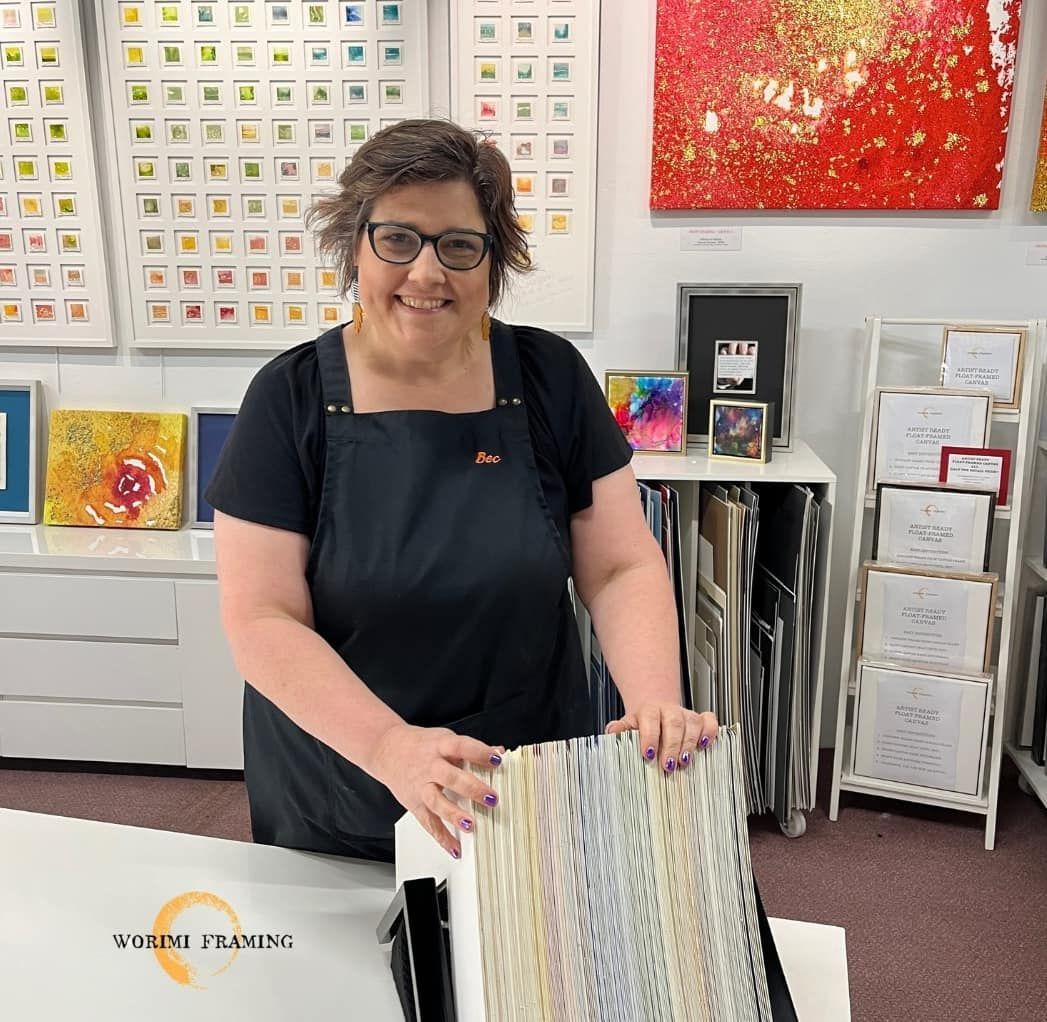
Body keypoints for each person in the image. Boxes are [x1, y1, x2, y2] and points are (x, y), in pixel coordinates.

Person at [207, 119, 719, 863]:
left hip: (521, 772)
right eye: (397, 239)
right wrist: (388, 746)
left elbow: (618, 565)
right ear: (354, 245)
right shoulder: (288, 400)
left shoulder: (550, 379)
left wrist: (652, 701)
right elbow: (262, 618)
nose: (425, 273)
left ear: (492, 258)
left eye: (457, 244)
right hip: (342, 779)